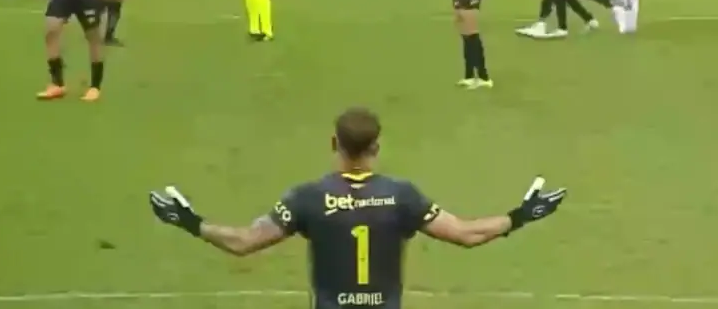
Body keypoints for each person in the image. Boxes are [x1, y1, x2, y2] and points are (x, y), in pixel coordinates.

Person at [149, 107, 567, 309]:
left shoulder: (307, 197)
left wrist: (190, 222)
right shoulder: (402, 195)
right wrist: (520, 215)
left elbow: (244, 242)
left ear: (335, 145)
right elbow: (465, 234)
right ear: (376, 147)